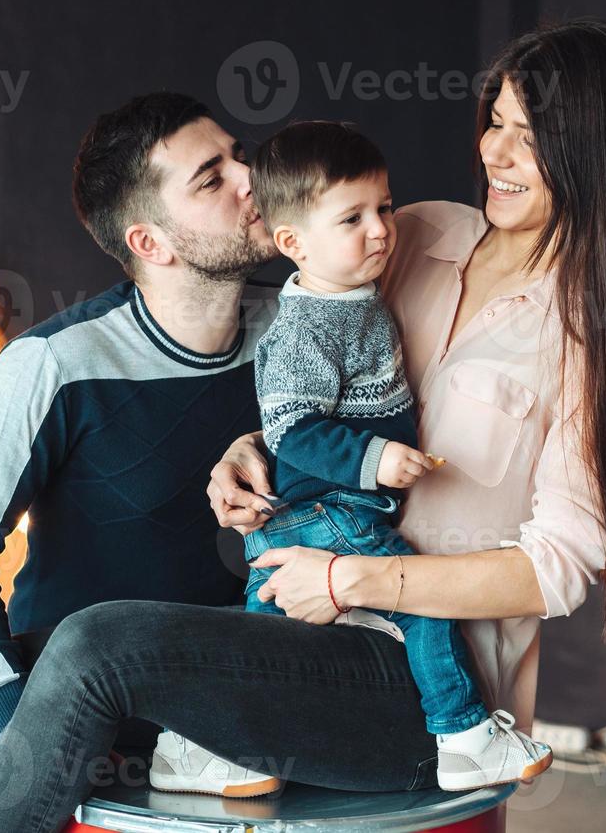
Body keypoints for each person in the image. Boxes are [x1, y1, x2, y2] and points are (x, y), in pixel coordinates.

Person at [0, 19, 606, 833]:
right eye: (497, 123)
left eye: (531, 138)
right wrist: (251, 449)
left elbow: (557, 570)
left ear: (599, 153)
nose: (495, 153)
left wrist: (353, 582)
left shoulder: (597, 331)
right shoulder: (420, 234)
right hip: (305, 629)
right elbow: (334, 389)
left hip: (424, 688)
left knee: (98, 645)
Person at [0, 92, 283, 830]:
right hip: (90, 708)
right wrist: (22, 722)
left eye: (240, 156)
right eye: (212, 177)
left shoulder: (302, 330)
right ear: (151, 242)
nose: (252, 180)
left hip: (241, 690)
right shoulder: (55, 363)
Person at [223, 119, 551, 792]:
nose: (380, 230)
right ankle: (462, 734)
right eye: (353, 219)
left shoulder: (355, 292)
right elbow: (297, 430)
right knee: (424, 604)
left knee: (266, 637)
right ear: (292, 243)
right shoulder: (313, 322)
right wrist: (374, 460)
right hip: (334, 509)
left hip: (331, 505)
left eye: (383, 207)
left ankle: (213, 744)